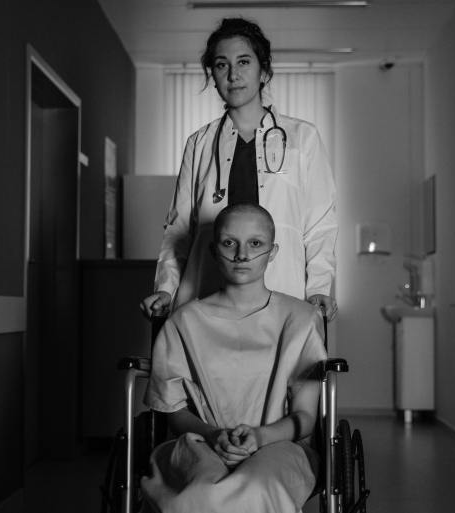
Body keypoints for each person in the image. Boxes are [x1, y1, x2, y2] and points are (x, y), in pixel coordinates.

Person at [140, 17, 338, 320]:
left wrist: (319, 287)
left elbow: (320, 224)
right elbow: (179, 229)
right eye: (221, 65)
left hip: (281, 296)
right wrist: (166, 288)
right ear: (213, 75)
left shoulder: (302, 139)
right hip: (207, 298)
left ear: (264, 71)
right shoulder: (200, 143)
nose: (233, 74)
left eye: (244, 62)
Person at [141, 203, 327, 513]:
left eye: (255, 243)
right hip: (200, 442)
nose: (242, 255)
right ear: (214, 251)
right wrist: (214, 435)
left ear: (273, 251)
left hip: (280, 445)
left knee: (257, 489)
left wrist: (259, 436)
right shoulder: (183, 322)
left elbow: (305, 418)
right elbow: (173, 411)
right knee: (201, 494)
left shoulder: (302, 320)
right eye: (230, 243)